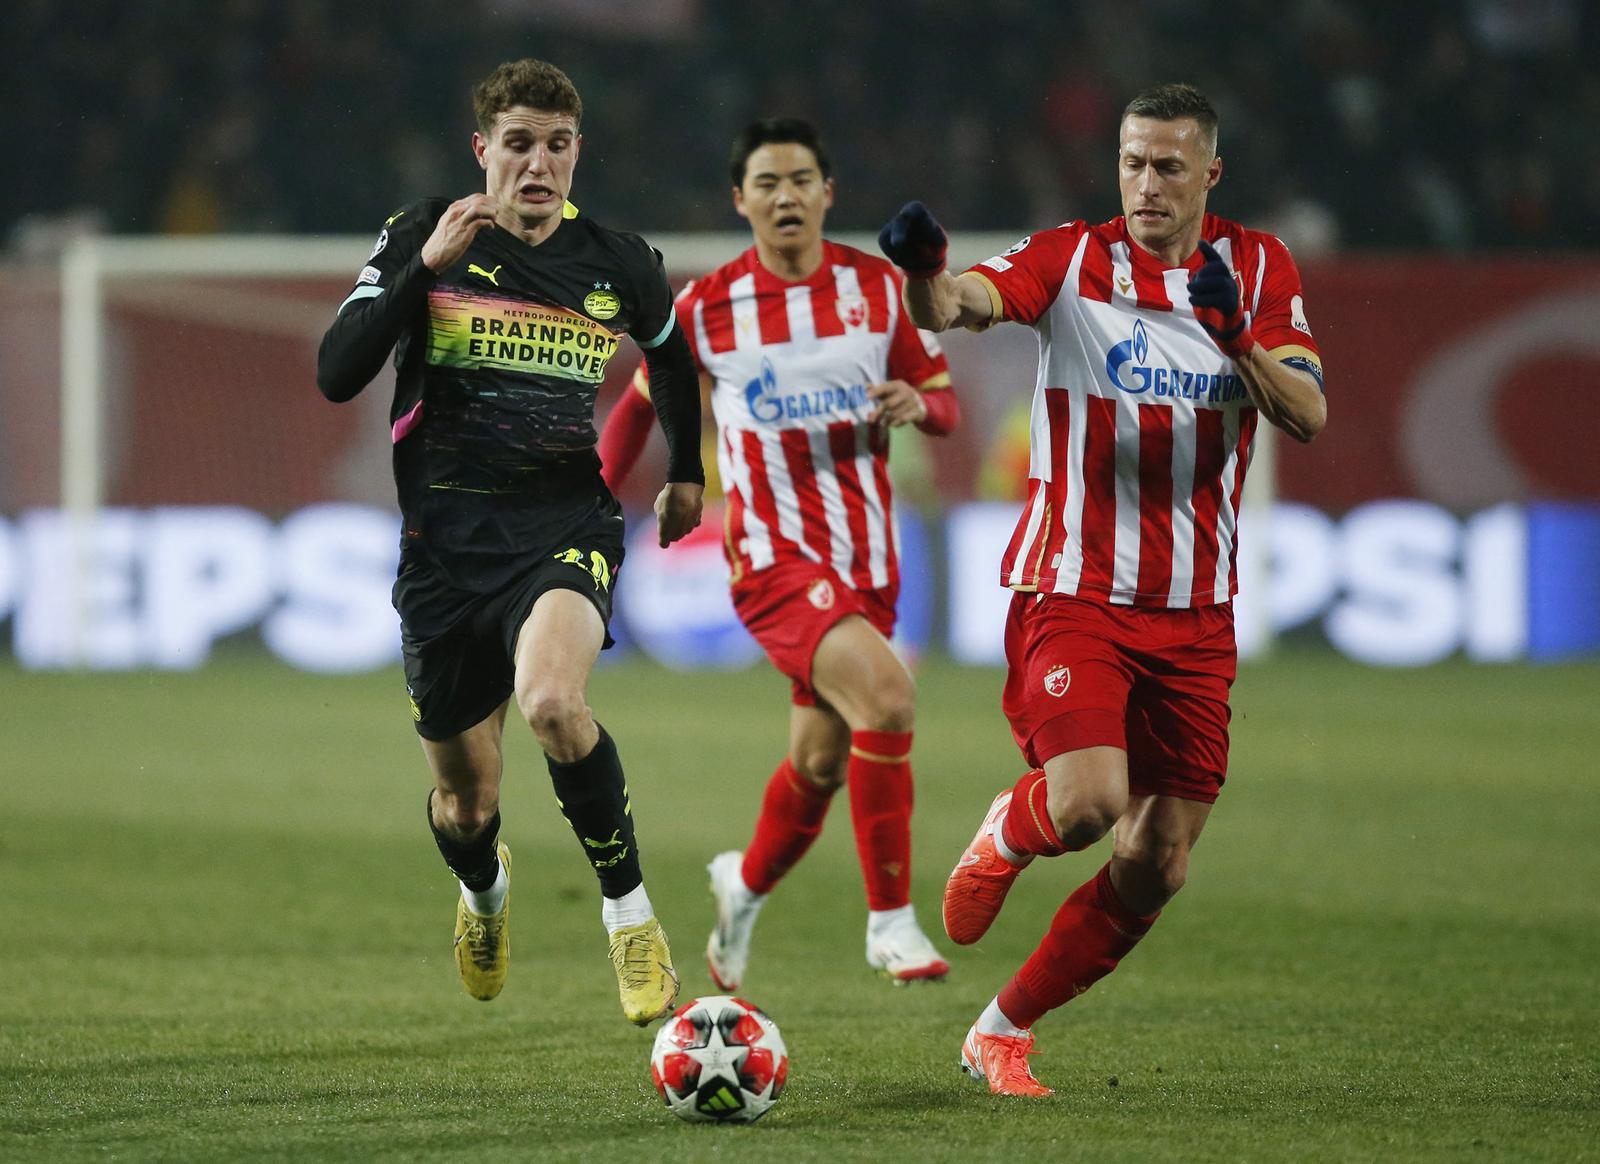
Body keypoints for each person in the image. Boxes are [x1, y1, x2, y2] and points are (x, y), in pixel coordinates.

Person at [879, 83, 1327, 1095]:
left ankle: (1001, 1028)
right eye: (1130, 162)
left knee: (1156, 860)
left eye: (1168, 166)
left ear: (1211, 174)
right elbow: (961, 307)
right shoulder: (1072, 257)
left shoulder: (1257, 268)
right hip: (1074, 586)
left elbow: (1307, 414)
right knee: (1088, 805)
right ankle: (1012, 825)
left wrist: (1237, 342)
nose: (1144, 184)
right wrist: (922, 276)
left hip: (1198, 613)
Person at [315, 58, 704, 1026]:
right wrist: (425, 271)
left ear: (578, 153)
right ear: (482, 149)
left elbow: (670, 355)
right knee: (465, 803)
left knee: (552, 702)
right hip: (444, 555)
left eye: (557, 145)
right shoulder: (424, 235)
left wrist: (687, 467)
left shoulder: (616, 261)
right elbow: (336, 372)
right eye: (519, 144)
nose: (538, 164)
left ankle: (632, 918)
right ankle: (483, 895)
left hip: (562, 529)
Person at [599, 118, 960, 988]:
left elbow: (941, 402)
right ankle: (891, 922)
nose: (785, 195)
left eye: (801, 178)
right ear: (741, 200)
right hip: (771, 560)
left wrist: (917, 403)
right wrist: (580, 504)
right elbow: (639, 406)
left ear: (828, 193)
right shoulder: (707, 306)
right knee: (890, 697)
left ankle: (743, 893)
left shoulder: (878, 290)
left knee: (820, 762)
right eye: (767, 182)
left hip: (869, 563)